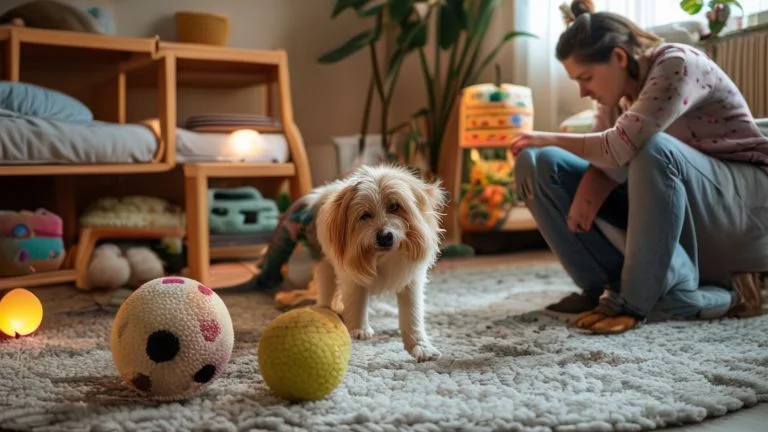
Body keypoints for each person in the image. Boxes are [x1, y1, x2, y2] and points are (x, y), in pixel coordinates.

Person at [510, 0, 768, 334]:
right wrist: (590, 177)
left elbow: (618, 146)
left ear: (618, 58)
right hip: (688, 204)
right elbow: (602, 153)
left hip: (741, 202)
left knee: (653, 147)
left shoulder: (677, 63)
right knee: (539, 162)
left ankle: (640, 301)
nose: (583, 90)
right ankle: (602, 287)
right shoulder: (619, 98)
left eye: (586, 78)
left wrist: (546, 136)